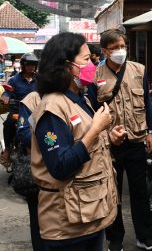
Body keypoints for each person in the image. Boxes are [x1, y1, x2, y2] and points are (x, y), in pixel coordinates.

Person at [31, 32, 126, 251]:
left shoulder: (79, 99)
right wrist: (96, 128)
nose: (93, 64)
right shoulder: (52, 107)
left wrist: (109, 137)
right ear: (67, 66)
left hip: (89, 215)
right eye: (86, 59)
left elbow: (83, 143)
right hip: (66, 225)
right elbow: (60, 165)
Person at [95, 29, 152, 251]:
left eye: (123, 46)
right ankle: (116, 239)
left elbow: (147, 103)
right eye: (115, 48)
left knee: (140, 191)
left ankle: (145, 237)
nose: (120, 51)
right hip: (110, 144)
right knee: (112, 193)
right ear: (105, 51)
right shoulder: (95, 75)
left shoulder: (138, 70)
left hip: (136, 140)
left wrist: (151, 131)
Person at [17, 91, 45, 251]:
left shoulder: (74, 97)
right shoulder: (32, 99)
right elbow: (23, 132)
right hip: (39, 168)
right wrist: (50, 139)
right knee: (38, 218)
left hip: (66, 170)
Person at [1, 53, 38, 167]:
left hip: (36, 112)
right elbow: (7, 92)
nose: (31, 67)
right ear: (22, 65)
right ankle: (7, 150)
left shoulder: (40, 79)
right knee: (9, 123)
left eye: (33, 65)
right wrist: (6, 97)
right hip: (18, 110)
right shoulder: (14, 80)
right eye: (28, 65)